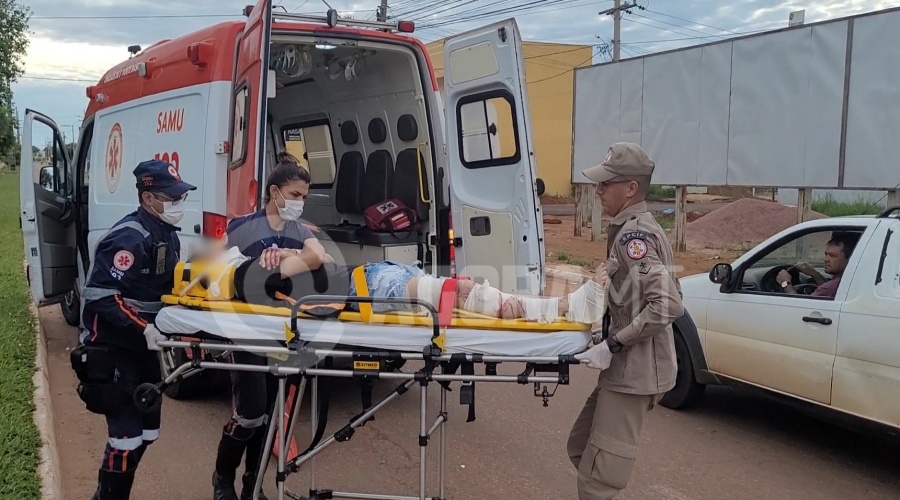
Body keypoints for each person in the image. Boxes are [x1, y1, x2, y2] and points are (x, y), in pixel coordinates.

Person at [567, 142, 684, 499]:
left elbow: (668, 304)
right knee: (580, 448)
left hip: (635, 372)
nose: (598, 190)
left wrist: (614, 343)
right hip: (621, 366)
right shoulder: (625, 229)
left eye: (607, 183)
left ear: (631, 188)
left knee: (597, 482)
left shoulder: (635, 237)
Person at [75, 159, 196, 499]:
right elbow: (99, 296)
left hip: (145, 352)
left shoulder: (166, 234)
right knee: (125, 439)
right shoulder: (130, 238)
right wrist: (143, 328)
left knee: (146, 434)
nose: (178, 204)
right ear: (147, 199)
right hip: (115, 352)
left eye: (179, 197)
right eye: (170, 198)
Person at [212, 154, 327, 500]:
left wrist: (285, 260)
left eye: (304, 197)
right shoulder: (242, 227)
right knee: (249, 413)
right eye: (294, 195)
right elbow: (217, 271)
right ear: (274, 192)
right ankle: (222, 479)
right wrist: (255, 267)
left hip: (285, 334)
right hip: (247, 329)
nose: (299, 203)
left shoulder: (300, 231)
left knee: (270, 415)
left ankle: (253, 484)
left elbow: (320, 256)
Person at [776, 231, 858, 298]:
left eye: (832, 256)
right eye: (826, 254)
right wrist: (814, 274)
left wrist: (786, 283)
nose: (826, 259)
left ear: (850, 259)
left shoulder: (830, 287)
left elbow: (802, 307)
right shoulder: (849, 280)